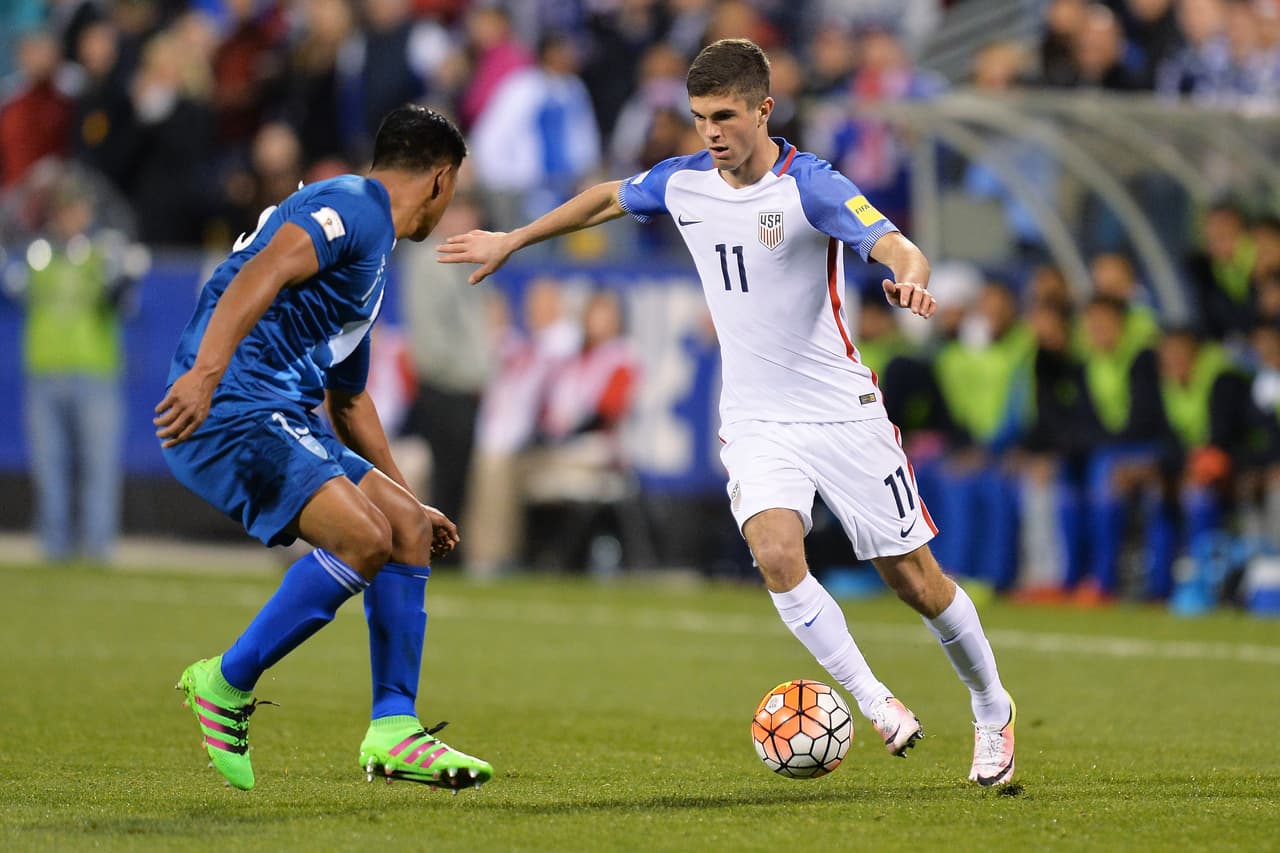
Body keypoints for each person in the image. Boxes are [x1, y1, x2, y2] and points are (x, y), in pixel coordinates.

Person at [440, 38, 1017, 786]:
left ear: (763, 110)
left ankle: (991, 706)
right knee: (777, 552)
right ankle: (875, 701)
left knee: (917, 581)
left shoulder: (810, 184)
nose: (710, 132)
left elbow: (895, 244)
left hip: (842, 414)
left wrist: (908, 278)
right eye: (698, 117)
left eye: (724, 116)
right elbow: (609, 196)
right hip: (755, 420)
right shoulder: (685, 183)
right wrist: (517, 238)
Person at [155, 105, 492, 793]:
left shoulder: (368, 254)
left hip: (273, 408)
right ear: (440, 179)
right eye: (453, 188)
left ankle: (395, 728)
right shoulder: (355, 205)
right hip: (231, 407)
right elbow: (265, 270)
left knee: (398, 529)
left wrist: (413, 502)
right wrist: (207, 374)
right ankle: (225, 681)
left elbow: (348, 401)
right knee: (362, 539)